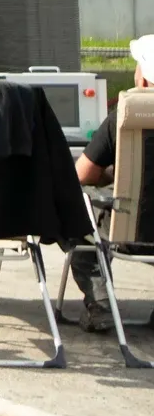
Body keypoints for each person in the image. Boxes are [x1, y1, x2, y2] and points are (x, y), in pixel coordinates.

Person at [70, 33, 154, 332]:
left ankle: (100, 302)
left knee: (75, 207)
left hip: (130, 235)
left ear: (142, 78)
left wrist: (108, 173)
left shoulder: (127, 115)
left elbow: (81, 175)